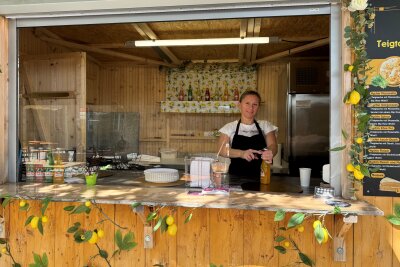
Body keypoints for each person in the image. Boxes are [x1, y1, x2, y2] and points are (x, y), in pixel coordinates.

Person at [217, 90, 278, 178]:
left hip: (262, 176)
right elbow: (221, 150)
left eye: (255, 104)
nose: (251, 108)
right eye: (247, 103)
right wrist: (242, 153)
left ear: (258, 107)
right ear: (239, 105)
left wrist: (270, 152)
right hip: (235, 178)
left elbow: (273, 145)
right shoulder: (229, 127)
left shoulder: (265, 126)